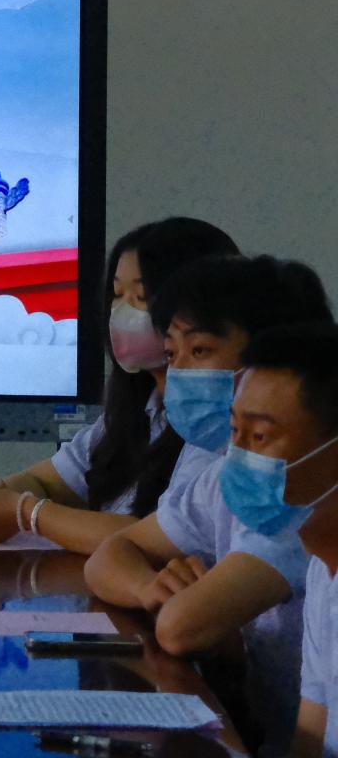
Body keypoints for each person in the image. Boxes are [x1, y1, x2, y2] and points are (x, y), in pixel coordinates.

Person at [85, 267, 334, 756]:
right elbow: (309, 738)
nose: (177, 374)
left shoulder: (301, 518)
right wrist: (148, 587)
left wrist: (27, 512)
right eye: (171, 354)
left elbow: (182, 628)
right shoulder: (322, 564)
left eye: (199, 351)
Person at [0, 217, 238, 552]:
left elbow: (153, 538)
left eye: (140, 297)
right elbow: (45, 481)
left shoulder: (213, 420)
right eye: (117, 294)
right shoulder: (137, 410)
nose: (121, 312)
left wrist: (24, 512)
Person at [282, 327, 338, 757]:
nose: (238, 457)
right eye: (235, 430)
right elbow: (310, 739)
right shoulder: (324, 561)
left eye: (259, 437)